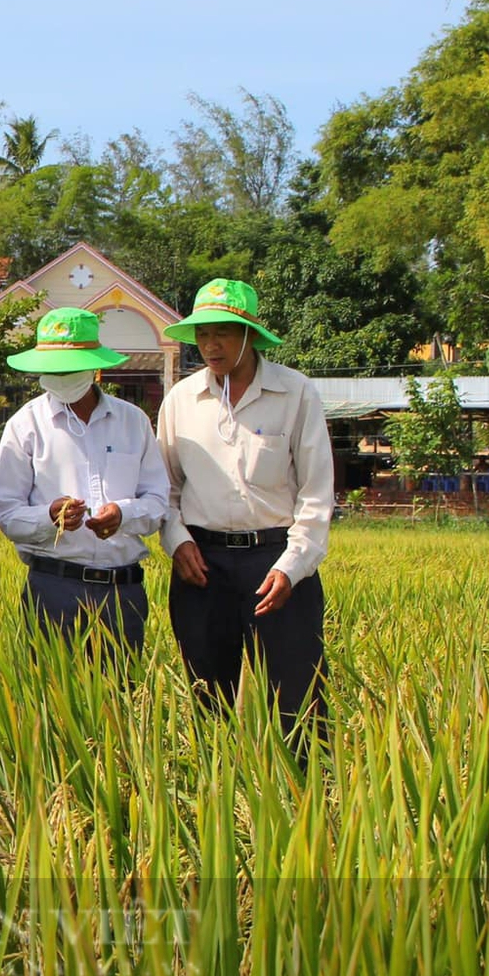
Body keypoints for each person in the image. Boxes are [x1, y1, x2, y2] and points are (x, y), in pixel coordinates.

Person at [157, 278, 333, 741]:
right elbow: (165, 489)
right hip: (202, 566)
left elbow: (316, 496)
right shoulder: (181, 400)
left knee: (299, 700)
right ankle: (218, 797)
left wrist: (293, 568)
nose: (211, 345)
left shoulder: (295, 393)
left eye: (224, 333)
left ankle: (311, 797)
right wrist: (177, 543)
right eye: (202, 334)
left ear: (250, 335)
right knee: (209, 698)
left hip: (275, 563)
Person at [0, 307, 169, 652]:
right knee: (49, 697)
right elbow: (8, 515)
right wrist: (49, 517)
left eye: (70, 368)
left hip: (123, 591)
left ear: (94, 366)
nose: (61, 376)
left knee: (120, 696)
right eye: (53, 368)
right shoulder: (25, 425)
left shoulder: (132, 422)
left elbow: (158, 501)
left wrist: (123, 514)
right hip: (54, 586)